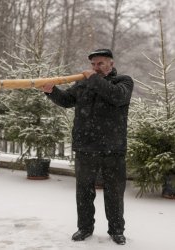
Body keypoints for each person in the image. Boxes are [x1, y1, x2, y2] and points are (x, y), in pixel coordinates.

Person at [41, 49, 133, 245]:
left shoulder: (123, 82)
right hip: (85, 147)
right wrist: (51, 91)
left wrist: (93, 79)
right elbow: (67, 100)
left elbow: (117, 97)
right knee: (84, 191)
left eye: (100, 63)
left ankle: (116, 230)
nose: (95, 67)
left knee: (114, 192)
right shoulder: (83, 83)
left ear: (111, 64)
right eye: (93, 64)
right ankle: (84, 228)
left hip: (113, 148)